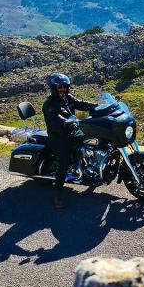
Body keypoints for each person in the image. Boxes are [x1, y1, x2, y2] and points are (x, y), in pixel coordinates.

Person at [42, 73, 97, 208]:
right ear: (53, 88)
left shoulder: (67, 97)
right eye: (59, 86)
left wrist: (97, 106)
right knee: (64, 161)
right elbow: (56, 118)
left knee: (93, 139)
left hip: (72, 131)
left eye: (65, 86)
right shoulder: (49, 104)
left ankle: (88, 166)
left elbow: (81, 104)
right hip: (58, 136)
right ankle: (58, 193)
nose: (63, 89)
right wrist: (67, 122)